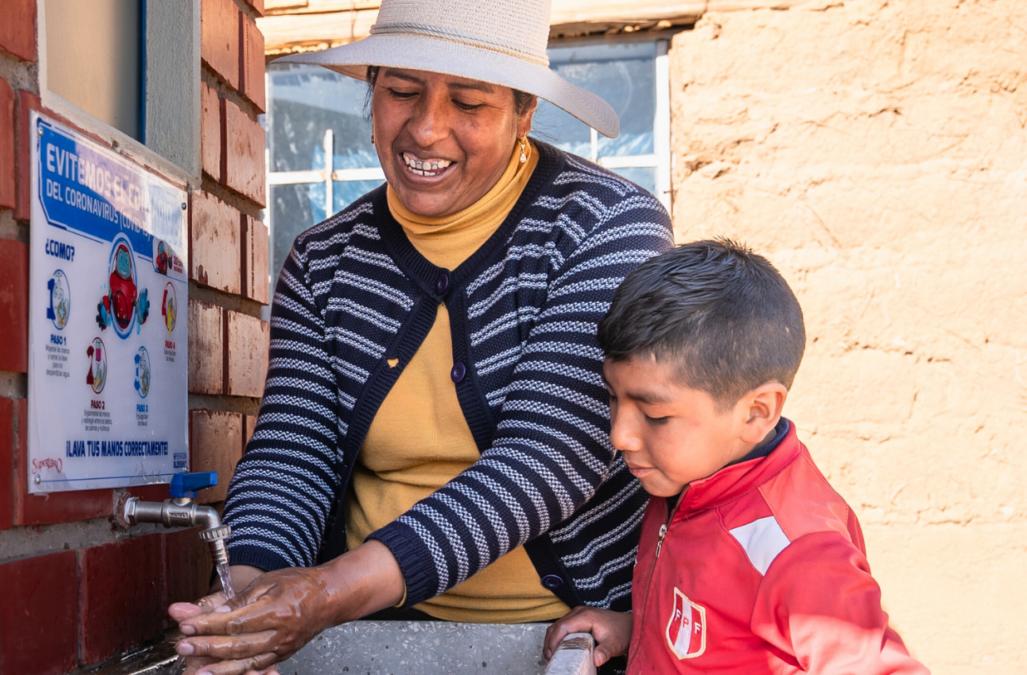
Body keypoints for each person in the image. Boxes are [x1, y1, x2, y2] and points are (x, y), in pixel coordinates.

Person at [168, 0, 673, 673]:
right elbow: (295, 453)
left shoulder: (604, 227)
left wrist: (327, 591)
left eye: (470, 102)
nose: (427, 128)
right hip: (370, 634)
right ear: (371, 88)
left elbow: (548, 457)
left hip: (573, 637)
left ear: (524, 114)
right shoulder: (325, 259)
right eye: (401, 90)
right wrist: (249, 595)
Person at [543, 240, 930, 674]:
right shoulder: (688, 481)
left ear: (756, 413)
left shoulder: (798, 552)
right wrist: (637, 629)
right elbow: (720, 629)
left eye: (655, 415)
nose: (621, 435)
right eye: (613, 399)